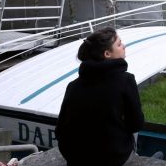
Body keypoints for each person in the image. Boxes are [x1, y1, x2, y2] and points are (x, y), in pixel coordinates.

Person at [56, 27, 145, 166]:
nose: (124, 46)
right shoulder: (125, 80)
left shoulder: (73, 86)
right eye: (119, 44)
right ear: (107, 53)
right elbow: (137, 123)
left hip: (75, 158)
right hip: (111, 159)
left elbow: (60, 129)